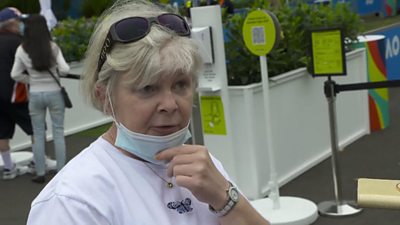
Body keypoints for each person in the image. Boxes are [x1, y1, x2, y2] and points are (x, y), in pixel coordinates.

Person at [27, 0, 270, 224]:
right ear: (105, 97)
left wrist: (225, 198)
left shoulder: (204, 165)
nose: (170, 104)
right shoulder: (73, 201)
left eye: (180, 85)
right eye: (147, 88)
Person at [11, 14, 70, 183]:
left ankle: (40, 172)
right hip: (54, 93)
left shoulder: (22, 49)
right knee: (58, 132)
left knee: (37, 134)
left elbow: (14, 74)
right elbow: (65, 69)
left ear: (27, 29)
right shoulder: (52, 47)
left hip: (35, 95)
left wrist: (31, 80)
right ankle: (61, 170)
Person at [0, 7, 31, 180]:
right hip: (15, 93)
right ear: (12, 23)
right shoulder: (18, 41)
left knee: (2, 132)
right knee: (35, 127)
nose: (21, 24)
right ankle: (39, 161)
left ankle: (9, 168)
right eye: (19, 21)